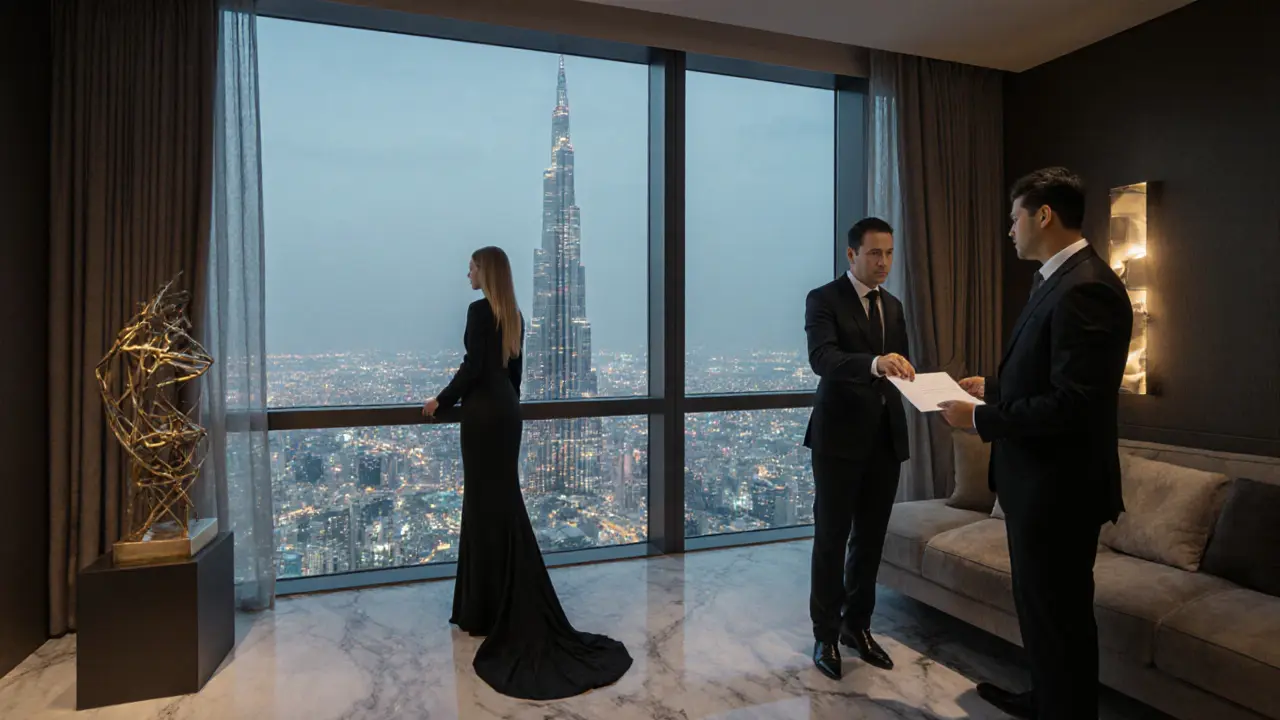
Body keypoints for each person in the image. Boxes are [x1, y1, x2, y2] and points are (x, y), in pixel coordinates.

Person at [938, 167, 1132, 720]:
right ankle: (1046, 699)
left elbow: (1074, 404)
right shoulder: (1057, 280)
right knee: (1042, 611)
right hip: (1037, 487)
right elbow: (1050, 376)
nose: (1009, 230)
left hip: (1060, 491)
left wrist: (980, 417)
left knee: (1060, 615)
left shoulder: (1087, 287)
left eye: (1013, 218)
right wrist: (994, 388)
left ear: (1043, 215)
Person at [422, 246, 632, 700]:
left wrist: (441, 400)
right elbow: (513, 374)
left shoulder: (479, 312)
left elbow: (473, 367)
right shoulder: (514, 315)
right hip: (506, 412)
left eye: (472, 267)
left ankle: (482, 608)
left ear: (486, 272)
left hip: (482, 414)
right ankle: (500, 600)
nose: (467, 273)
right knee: (502, 503)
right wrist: (506, 406)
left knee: (482, 506)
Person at [803, 217, 915, 681]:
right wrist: (874, 363)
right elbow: (823, 359)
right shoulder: (824, 299)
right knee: (831, 538)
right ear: (851, 255)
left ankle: (858, 626)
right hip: (839, 440)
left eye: (889, 253)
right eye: (874, 253)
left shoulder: (894, 305)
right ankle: (825, 634)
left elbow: (900, 366)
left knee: (870, 539)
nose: (883, 262)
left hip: (885, 438)